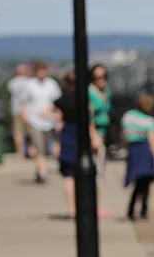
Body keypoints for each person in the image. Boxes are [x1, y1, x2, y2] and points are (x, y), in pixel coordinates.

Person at [51, 71, 102, 219]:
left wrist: (57, 118)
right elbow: (89, 121)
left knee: (68, 176)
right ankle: (85, 207)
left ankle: (71, 209)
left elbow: (43, 111)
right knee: (85, 175)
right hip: (81, 136)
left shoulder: (61, 100)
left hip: (67, 136)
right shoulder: (84, 100)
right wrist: (95, 138)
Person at [122, 93, 154, 221]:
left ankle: (131, 210)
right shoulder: (148, 120)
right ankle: (143, 211)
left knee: (137, 183)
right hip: (145, 150)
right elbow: (153, 142)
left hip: (133, 150)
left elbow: (124, 136)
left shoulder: (128, 116)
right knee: (145, 184)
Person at [21, 61, 62, 184]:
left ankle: (39, 170)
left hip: (49, 121)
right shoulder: (29, 84)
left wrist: (57, 116)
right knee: (39, 148)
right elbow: (22, 103)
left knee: (47, 147)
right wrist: (25, 118)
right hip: (34, 120)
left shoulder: (51, 84)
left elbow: (58, 101)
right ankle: (43, 172)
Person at [88, 64, 112, 177]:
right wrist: (93, 135)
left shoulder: (106, 91)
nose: (101, 80)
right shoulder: (90, 92)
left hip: (104, 129)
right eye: (97, 77)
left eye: (103, 76)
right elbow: (89, 116)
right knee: (97, 161)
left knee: (102, 161)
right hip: (94, 130)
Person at [6, 63, 31, 158]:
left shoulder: (12, 83)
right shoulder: (29, 82)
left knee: (17, 132)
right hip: (28, 111)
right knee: (30, 131)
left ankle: (20, 152)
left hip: (15, 110)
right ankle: (30, 150)